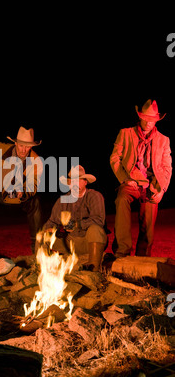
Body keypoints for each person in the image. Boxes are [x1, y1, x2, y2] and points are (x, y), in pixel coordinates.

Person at [110, 99, 172, 257]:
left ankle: (143, 256)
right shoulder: (125, 133)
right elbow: (115, 159)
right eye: (147, 119)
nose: (150, 123)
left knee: (149, 220)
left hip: (151, 184)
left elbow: (167, 167)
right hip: (131, 180)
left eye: (153, 120)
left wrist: (162, 189)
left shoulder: (163, 140)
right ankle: (122, 251)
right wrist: (124, 179)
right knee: (122, 199)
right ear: (141, 117)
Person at [39, 165, 107, 272]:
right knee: (43, 234)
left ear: (85, 182)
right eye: (73, 181)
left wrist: (77, 224)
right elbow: (51, 222)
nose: (75, 184)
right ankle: (41, 268)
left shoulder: (94, 196)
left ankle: (94, 270)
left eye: (79, 180)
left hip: (89, 241)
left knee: (95, 230)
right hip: (70, 243)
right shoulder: (62, 200)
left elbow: (99, 220)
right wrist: (51, 229)